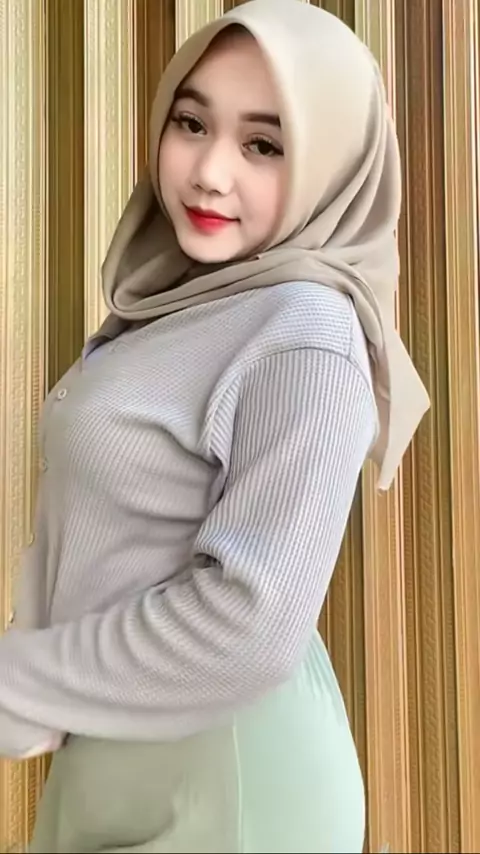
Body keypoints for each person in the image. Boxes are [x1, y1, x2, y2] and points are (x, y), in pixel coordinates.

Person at [0, 1, 429, 851]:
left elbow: (248, 623)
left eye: (264, 144)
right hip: (108, 748)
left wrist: (18, 685)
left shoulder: (306, 331)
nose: (209, 173)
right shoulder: (176, 307)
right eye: (191, 124)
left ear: (331, 160)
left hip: (232, 774)